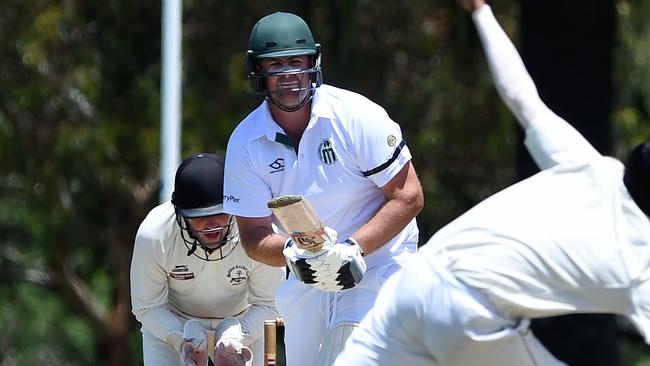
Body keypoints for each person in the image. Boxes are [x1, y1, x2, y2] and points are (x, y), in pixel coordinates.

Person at [334, 1, 650, 365]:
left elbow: (521, 97)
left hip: (418, 282)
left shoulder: (594, 168)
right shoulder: (640, 262)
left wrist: (481, 11)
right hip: (470, 313)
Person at [223, 11, 424, 366]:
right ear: (259, 72)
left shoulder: (356, 116)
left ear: (312, 63)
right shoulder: (245, 141)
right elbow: (253, 235)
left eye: (295, 63)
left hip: (379, 261)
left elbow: (408, 195)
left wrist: (352, 248)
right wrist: (292, 252)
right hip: (309, 272)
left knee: (348, 355)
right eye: (275, 66)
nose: (288, 77)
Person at [130, 153, 284, 366]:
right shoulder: (155, 234)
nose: (212, 225)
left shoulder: (258, 231)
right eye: (200, 217)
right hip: (174, 322)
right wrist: (181, 339)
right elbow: (146, 307)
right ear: (180, 213)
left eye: (219, 212)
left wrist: (237, 338)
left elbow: (270, 304)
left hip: (243, 322)